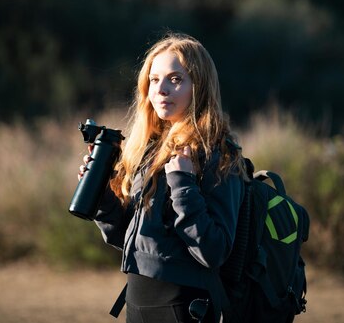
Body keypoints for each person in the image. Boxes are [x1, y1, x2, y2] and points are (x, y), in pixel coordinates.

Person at [78, 32, 247, 323]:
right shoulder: (151, 150)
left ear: (200, 87)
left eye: (175, 79)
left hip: (185, 308)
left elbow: (214, 250)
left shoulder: (219, 154)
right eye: (154, 80)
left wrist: (183, 185)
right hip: (138, 303)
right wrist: (102, 193)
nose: (161, 89)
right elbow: (131, 239)